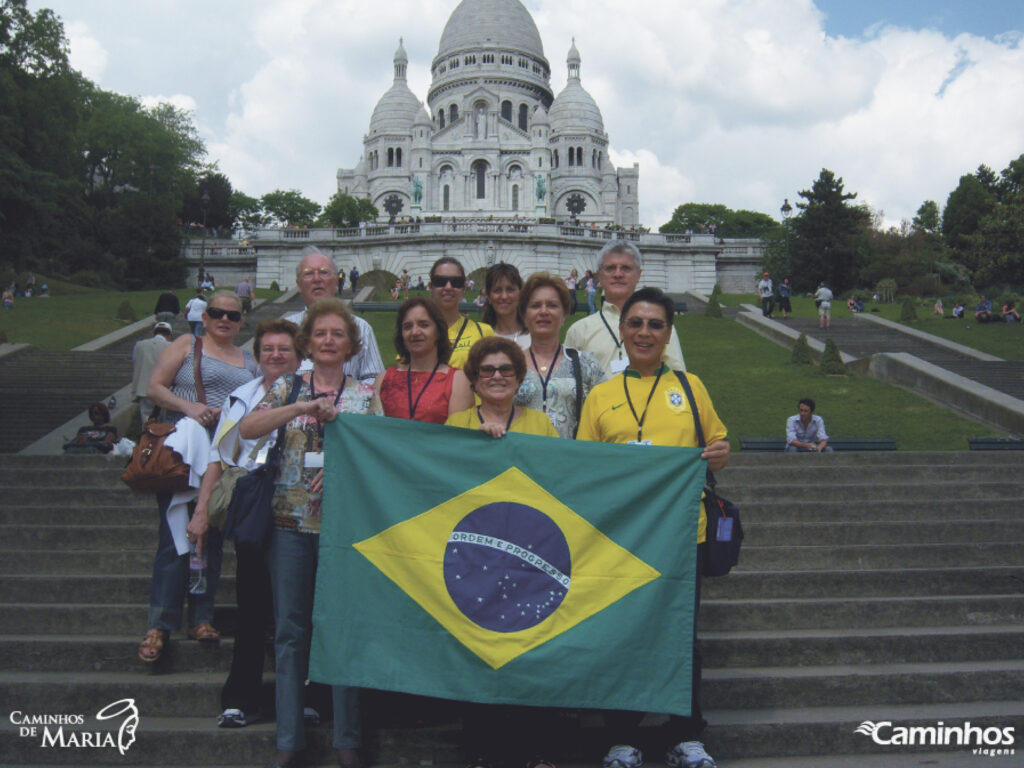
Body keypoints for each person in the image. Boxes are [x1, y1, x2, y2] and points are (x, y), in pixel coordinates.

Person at [576, 287, 729, 768]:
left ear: (668, 333)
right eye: (636, 323)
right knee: (622, 636)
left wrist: (720, 453)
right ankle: (623, 736)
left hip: (684, 533)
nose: (645, 333)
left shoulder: (690, 386)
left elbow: (718, 445)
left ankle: (686, 733)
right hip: (623, 537)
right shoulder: (601, 395)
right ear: (622, 330)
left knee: (682, 636)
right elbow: (586, 466)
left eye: (655, 325)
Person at [239, 297, 381, 768]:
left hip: (343, 528)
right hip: (289, 523)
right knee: (289, 632)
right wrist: (299, 406)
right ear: (308, 342)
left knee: (341, 629)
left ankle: (347, 738)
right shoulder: (288, 386)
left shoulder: (364, 394)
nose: (328, 341)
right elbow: (248, 427)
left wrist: (341, 463)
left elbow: (378, 454)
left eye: (337, 334)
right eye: (320, 333)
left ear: (351, 344)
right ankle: (289, 738)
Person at [188, 319, 302, 730]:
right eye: (268, 349)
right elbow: (218, 458)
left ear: (299, 356)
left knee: (296, 610)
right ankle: (240, 697)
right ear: (256, 356)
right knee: (252, 605)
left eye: (284, 349)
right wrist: (202, 509)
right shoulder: (242, 397)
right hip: (254, 507)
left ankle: (302, 698)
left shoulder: (310, 392)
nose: (275, 355)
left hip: (300, 511)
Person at [138, 291, 258, 665]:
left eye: (233, 315)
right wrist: (189, 406)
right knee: (175, 535)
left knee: (212, 536)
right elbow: (154, 387)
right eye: (218, 313)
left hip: (223, 455)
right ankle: (160, 622)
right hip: (184, 451)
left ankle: (201, 616)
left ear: (241, 322)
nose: (225, 320)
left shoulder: (249, 360)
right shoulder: (186, 345)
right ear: (204, 317)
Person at [565, 241, 686, 379]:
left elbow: (678, 379)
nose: (618, 274)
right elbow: (568, 385)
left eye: (626, 268)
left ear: (638, 275)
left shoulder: (659, 326)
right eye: (610, 268)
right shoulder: (579, 331)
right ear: (600, 275)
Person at [514, 273, 605, 439]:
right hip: (521, 454)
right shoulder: (510, 366)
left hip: (572, 453)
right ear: (524, 315)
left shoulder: (586, 363)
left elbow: (605, 415)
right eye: (535, 305)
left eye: (552, 305)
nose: (543, 311)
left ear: (564, 314)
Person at [284, 248, 384, 381]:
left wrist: (347, 391)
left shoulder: (361, 328)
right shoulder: (284, 329)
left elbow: (374, 377)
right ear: (299, 284)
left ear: (336, 281)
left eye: (324, 272)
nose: (317, 279)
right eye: (308, 274)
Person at [375, 298, 473, 423]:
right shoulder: (383, 380)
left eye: (424, 325)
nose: (415, 332)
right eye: (407, 327)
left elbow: (455, 432)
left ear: (438, 331)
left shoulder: (458, 381)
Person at [445, 336, 557, 438]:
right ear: (474, 379)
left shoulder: (541, 423)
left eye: (506, 369)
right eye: (487, 370)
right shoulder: (457, 424)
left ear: (518, 378)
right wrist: (477, 439)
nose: (497, 376)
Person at [429, 256, 494, 369]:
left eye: (456, 282)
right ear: (430, 287)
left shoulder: (484, 332)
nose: (448, 287)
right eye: (440, 281)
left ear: (463, 288)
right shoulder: (416, 332)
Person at [481, 263, 529, 349]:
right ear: (489, 297)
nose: (504, 296)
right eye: (497, 290)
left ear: (520, 294)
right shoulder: (481, 337)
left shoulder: (535, 335)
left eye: (510, 290)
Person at [132, 322, 173, 422]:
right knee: (164, 422)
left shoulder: (140, 345)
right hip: (165, 390)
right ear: (169, 335)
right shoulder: (172, 347)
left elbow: (135, 362)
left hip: (144, 389)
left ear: (154, 333)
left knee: (146, 421)